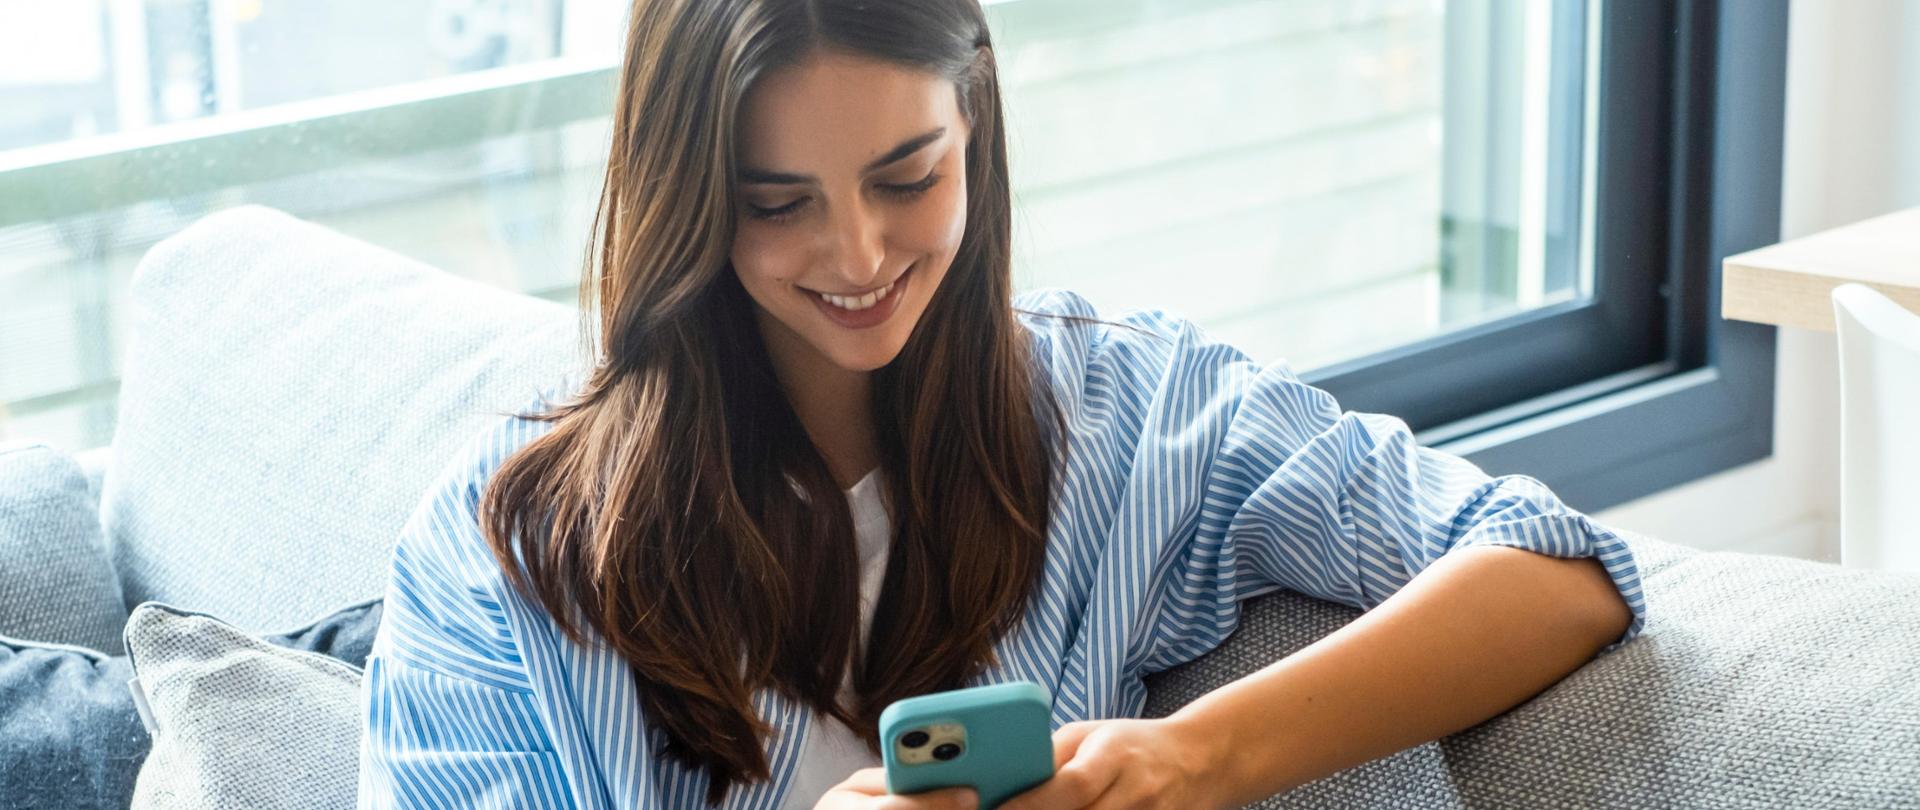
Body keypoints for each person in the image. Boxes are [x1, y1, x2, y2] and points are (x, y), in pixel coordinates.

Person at [356, 0, 1646, 807]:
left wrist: (1195, 758)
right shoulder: (502, 554)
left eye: (906, 177)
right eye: (776, 205)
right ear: (689, 197)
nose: (857, 259)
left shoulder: (1124, 415)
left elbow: (1555, 564)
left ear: (972, 120)